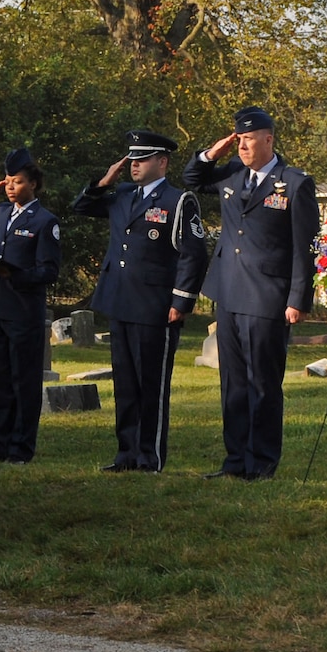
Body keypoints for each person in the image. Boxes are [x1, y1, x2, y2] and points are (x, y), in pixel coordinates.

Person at [182, 108, 317, 481]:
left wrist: (297, 299)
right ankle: (235, 461)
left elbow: (304, 246)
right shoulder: (232, 173)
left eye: (248, 139)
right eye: (238, 139)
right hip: (228, 291)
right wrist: (214, 152)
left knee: (263, 384)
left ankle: (262, 463)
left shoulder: (293, 183)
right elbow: (192, 177)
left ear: (269, 139)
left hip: (267, 295)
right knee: (234, 385)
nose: (242, 145)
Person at [73, 131, 209, 474]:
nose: (135, 165)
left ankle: (150, 457)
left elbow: (193, 255)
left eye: (143, 159)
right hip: (120, 300)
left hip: (155, 304)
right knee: (126, 384)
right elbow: (82, 207)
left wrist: (181, 300)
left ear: (162, 162)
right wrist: (104, 181)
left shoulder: (178, 200)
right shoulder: (120, 195)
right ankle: (126, 454)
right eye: (132, 159)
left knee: (151, 385)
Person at [0, 149, 61, 464]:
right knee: (1, 382)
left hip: (22, 312)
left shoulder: (45, 221)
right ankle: (1, 445)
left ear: (33, 184)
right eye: (7, 181)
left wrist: (16, 275)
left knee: (24, 382)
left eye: (18, 181)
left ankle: (21, 448)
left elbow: (49, 270)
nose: (10, 187)